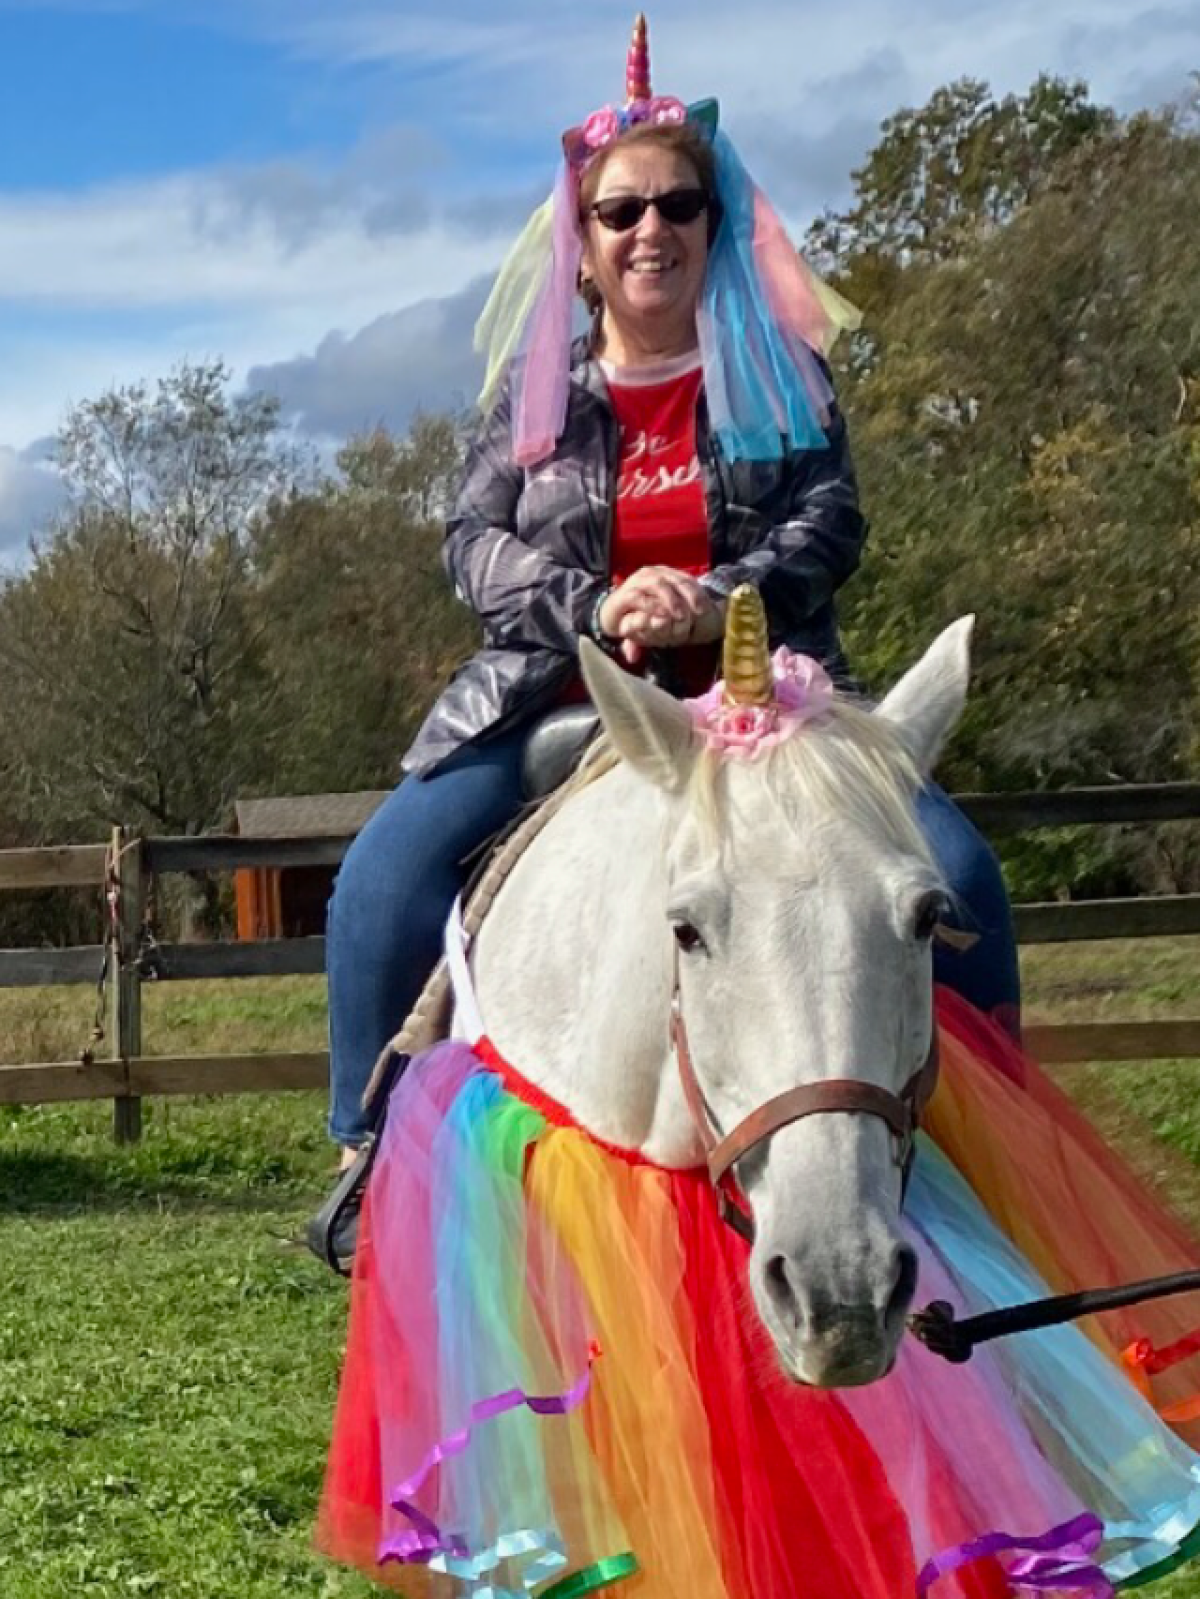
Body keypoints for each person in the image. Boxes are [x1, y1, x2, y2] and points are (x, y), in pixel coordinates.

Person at [313, 15, 1018, 1264]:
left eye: (677, 205)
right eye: (621, 211)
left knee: (956, 878)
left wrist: (719, 597)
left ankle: (968, 1161)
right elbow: (471, 546)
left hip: (774, 697)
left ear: (713, 223)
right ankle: (368, 1161)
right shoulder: (525, 406)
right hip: (553, 696)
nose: (651, 230)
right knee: (381, 879)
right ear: (580, 247)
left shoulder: (788, 381)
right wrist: (595, 605)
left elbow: (830, 521)